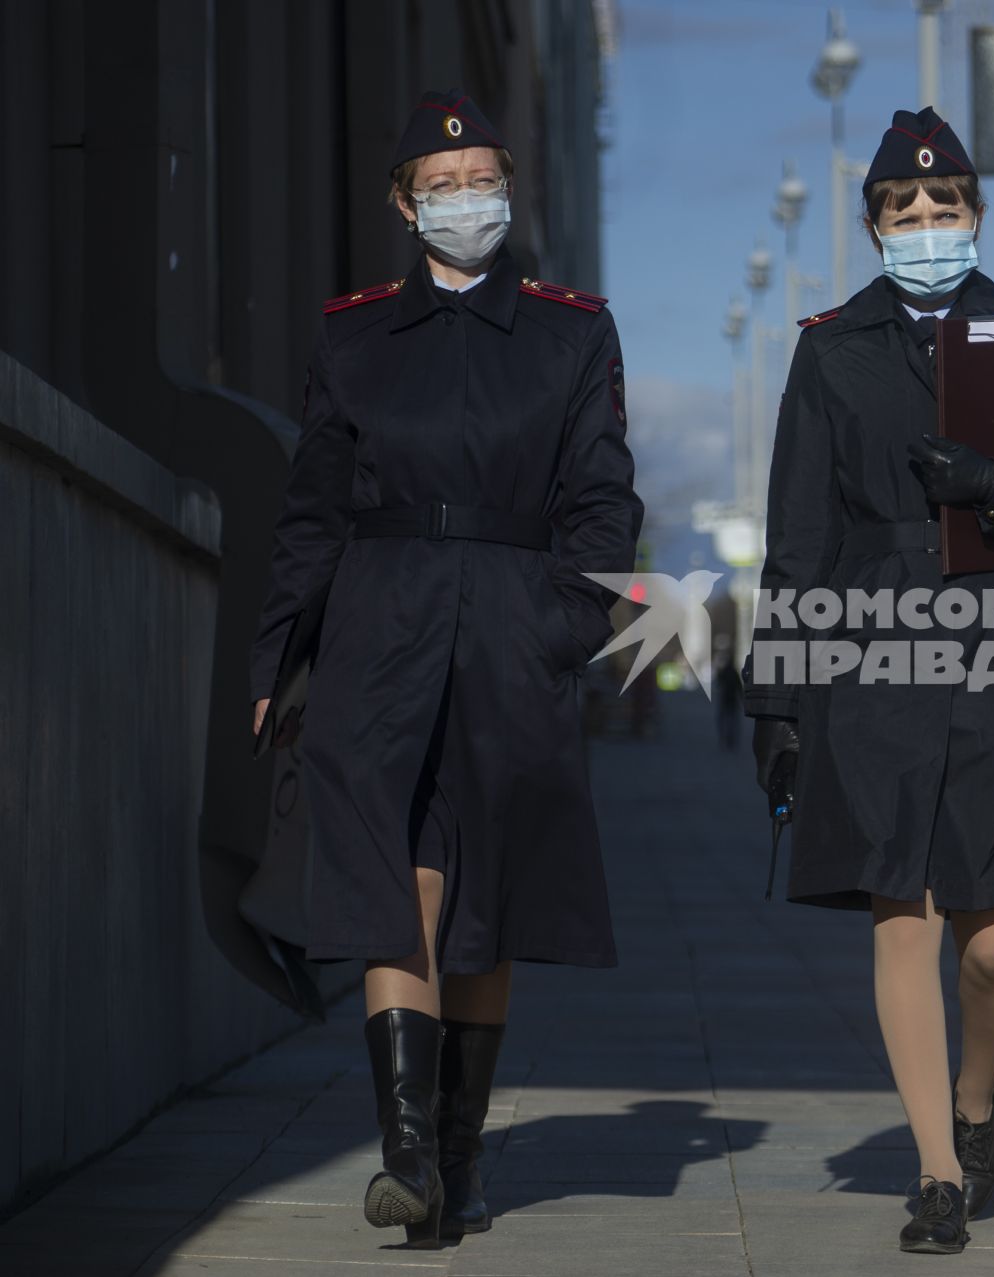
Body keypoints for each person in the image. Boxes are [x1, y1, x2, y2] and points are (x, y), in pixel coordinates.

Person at [246, 90, 643, 1248]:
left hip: (513, 633)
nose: (468, 198)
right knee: (398, 882)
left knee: (486, 909)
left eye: (482, 177)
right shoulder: (353, 333)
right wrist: (281, 651)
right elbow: (312, 512)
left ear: (507, 187)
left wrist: (563, 628)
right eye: (444, 181)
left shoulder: (575, 330)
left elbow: (603, 499)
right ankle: (407, 1153)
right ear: (405, 203)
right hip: (380, 628)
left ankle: (461, 1159)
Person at [745, 107, 994, 1254]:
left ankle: (976, 1096)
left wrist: (992, 482)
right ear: (872, 224)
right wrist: (777, 697)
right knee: (899, 914)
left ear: (975, 214)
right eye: (903, 210)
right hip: (868, 648)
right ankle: (937, 1170)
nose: (925, 223)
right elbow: (797, 535)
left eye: (944, 206)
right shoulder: (828, 348)